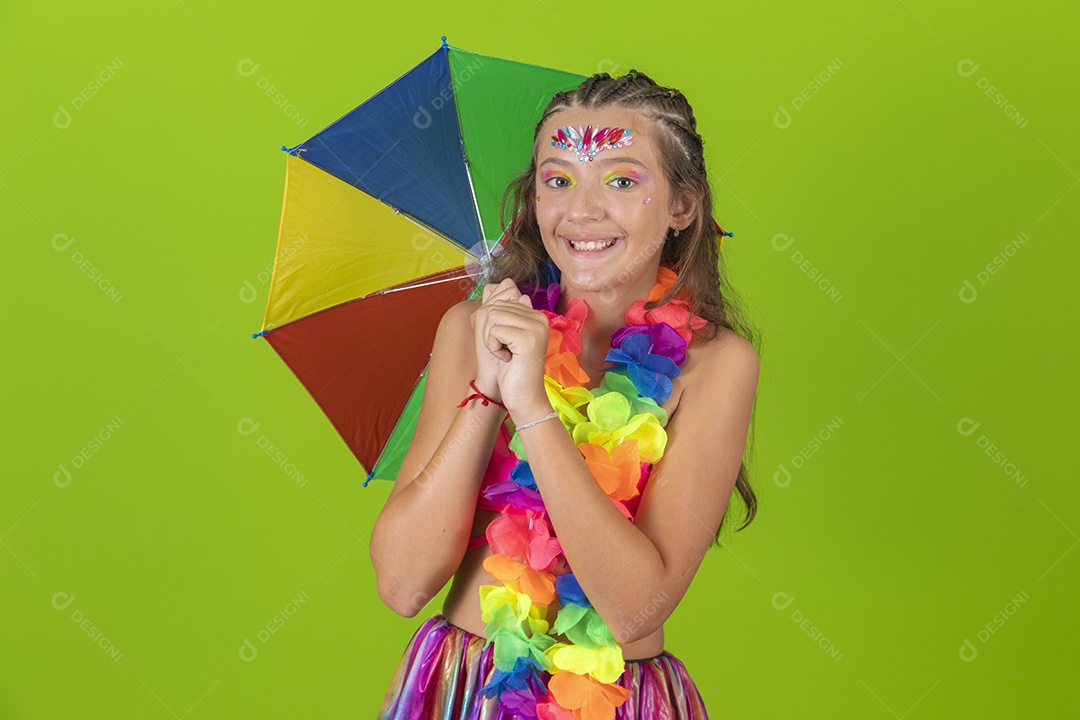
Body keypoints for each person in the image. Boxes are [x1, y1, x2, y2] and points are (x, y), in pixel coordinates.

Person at [370, 69, 761, 719]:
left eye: (622, 180)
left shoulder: (714, 365)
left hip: (612, 701)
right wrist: (487, 390)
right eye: (558, 180)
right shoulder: (473, 330)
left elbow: (634, 608)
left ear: (682, 205)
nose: (581, 210)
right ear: (534, 200)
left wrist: (532, 407)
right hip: (468, 691)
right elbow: (403, 585)